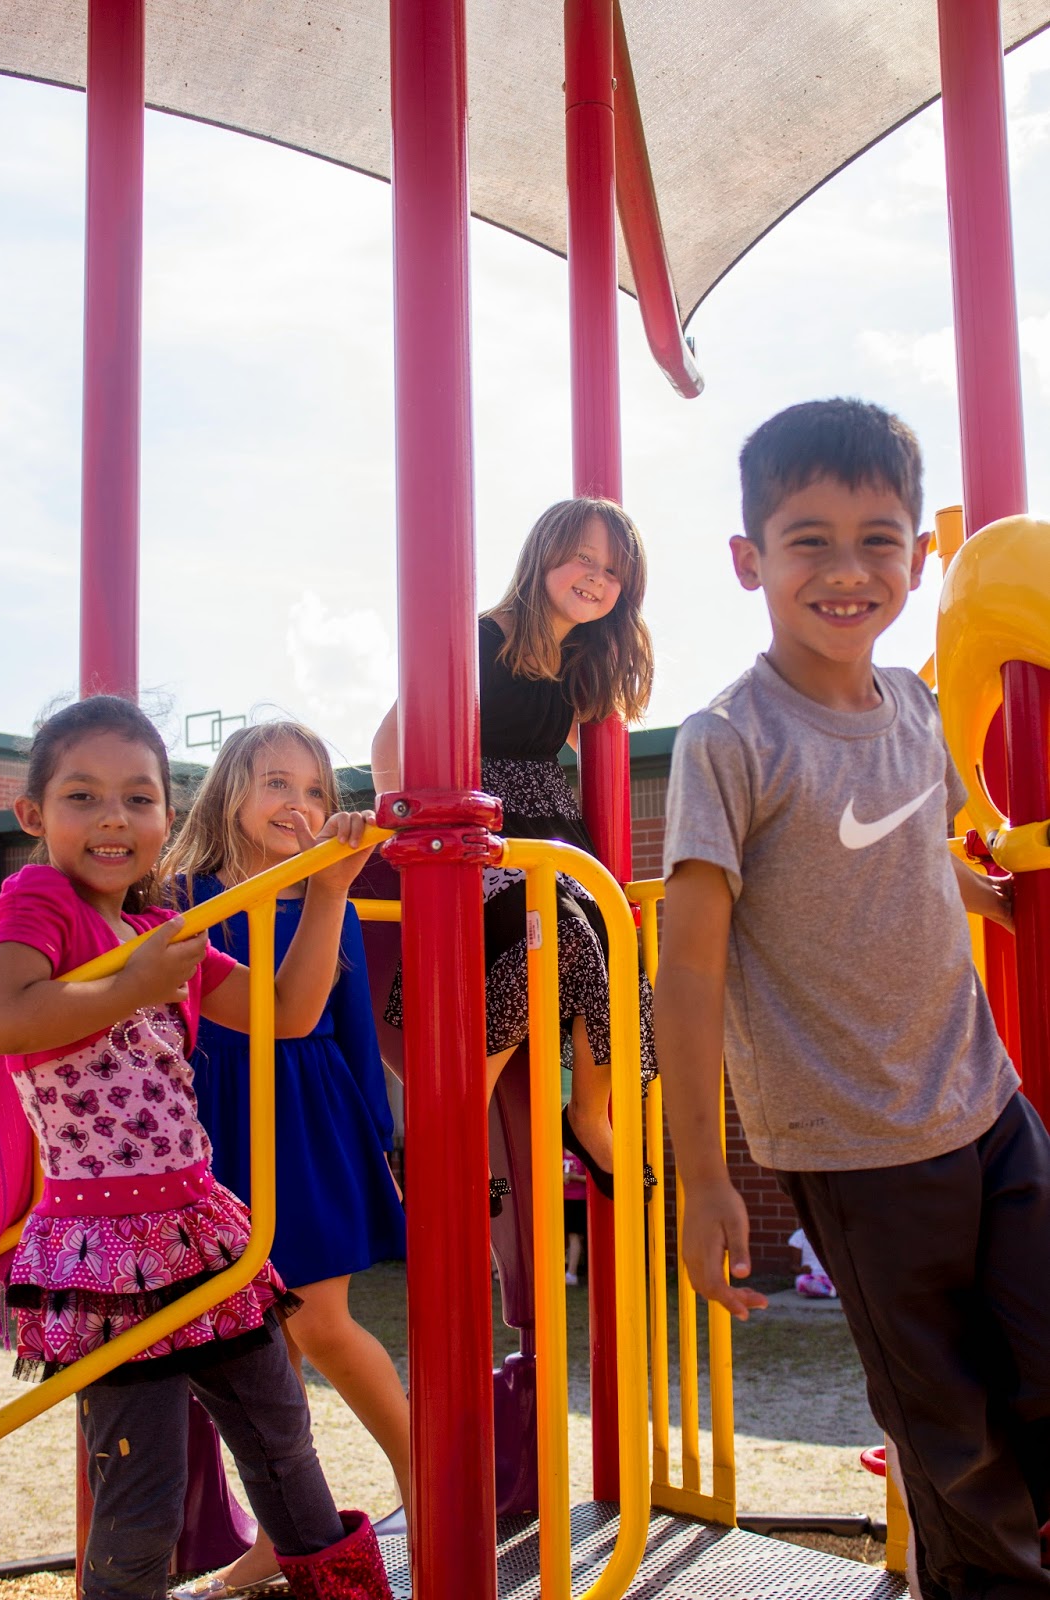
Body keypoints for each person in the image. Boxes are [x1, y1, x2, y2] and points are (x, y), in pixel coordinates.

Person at [655, 397, 1050, 1599]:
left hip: (985, 1105)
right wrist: (704, 1178)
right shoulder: (729, 738)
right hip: (856, 1143)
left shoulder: (918, 710)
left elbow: (914, 847)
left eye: (877, 539)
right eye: (807, 539)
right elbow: (690, 959)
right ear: (748, 562)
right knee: (949, 1434)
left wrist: (992, 898)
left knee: (1038, 1371)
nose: (845, 569)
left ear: (917, 560)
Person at [0, 696, 393, 1600]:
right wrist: (133, 984)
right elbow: (4, 1015)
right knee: (142, 1486)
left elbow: (288, 1013)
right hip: (107, 1251)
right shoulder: (40, 899)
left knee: (282, 1442)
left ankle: (342, 1588)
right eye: (83, 798)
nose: (113, 820)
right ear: (33, 815)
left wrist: (329, 895)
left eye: (137, 799)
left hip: (199, 1231)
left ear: (167, 816)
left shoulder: (161, 933)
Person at [162, 722, 409, 1599]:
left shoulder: (319, 893)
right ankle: (288, 1529)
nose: (297, 805)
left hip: (302, 1112)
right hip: (213, 1113)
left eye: (313, 790)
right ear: (230, 790)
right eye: (276, 782)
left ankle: (431, 1488)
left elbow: (335, 1022)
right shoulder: (184, 890)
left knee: (316, 1319)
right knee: (253, 1344)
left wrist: (375, 1136)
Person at [371, 497, 656, 1201]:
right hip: (478, 833)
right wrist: (407, 838)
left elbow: (575, 744)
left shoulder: (581, 658)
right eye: (582, 559)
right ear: (543, 557)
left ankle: (586, 1115)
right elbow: (391, 738)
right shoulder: (482, 640)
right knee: (548, 925)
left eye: (613, 572)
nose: (595, 578)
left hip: (552, 833)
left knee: (612, 937)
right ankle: (462, 1121)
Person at [562, 1152, 586, 1286]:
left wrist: (573, 1177)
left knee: (574, 1235)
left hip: (577, 1199)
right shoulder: (556, 1152)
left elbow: (590, 1178)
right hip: (559, 1198)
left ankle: (571, 1273)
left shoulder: (581, 1154)